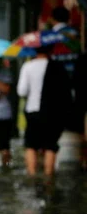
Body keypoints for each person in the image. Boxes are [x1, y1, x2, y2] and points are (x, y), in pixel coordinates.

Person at [17, 45, 73, 176]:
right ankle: (49, 177)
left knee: (31, 145)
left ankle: (32, 175)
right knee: (50, 144)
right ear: (51, 50)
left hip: (33, 110)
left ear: (34, 50)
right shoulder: (58, 67)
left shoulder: (28, 66)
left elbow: (21, 91)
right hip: (53, 112)